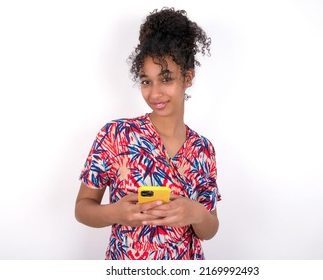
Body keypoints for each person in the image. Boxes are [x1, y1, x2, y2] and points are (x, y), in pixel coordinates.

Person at [75, 7, 221, 260]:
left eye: (166, 79)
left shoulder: (203, 149)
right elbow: (82, 209)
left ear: (187, 77)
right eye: (146, 81)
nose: (155, 94)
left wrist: (195, 213)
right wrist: (117, 213)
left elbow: (209, 229)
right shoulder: (116, 135)